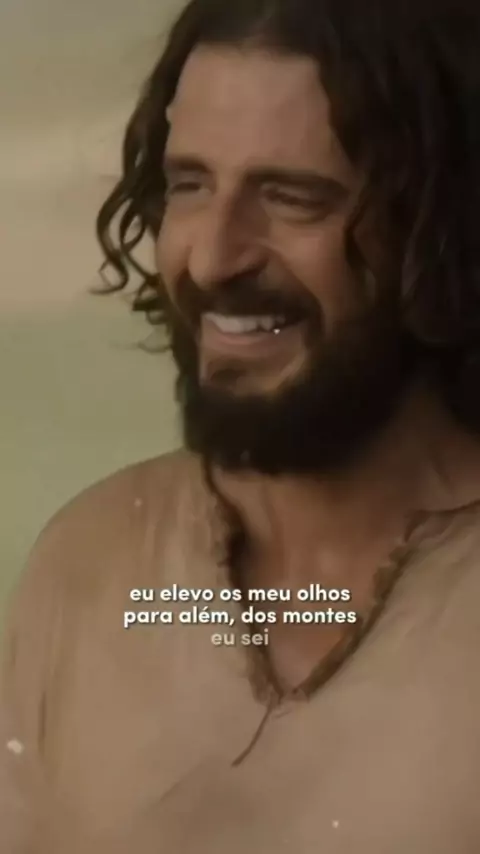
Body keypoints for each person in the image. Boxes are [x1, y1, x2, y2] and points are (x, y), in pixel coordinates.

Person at [2, 0, 480, 850]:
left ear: (440, 227)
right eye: (190, 185)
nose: (214, 255)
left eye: (292, 198)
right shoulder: (94, 564)